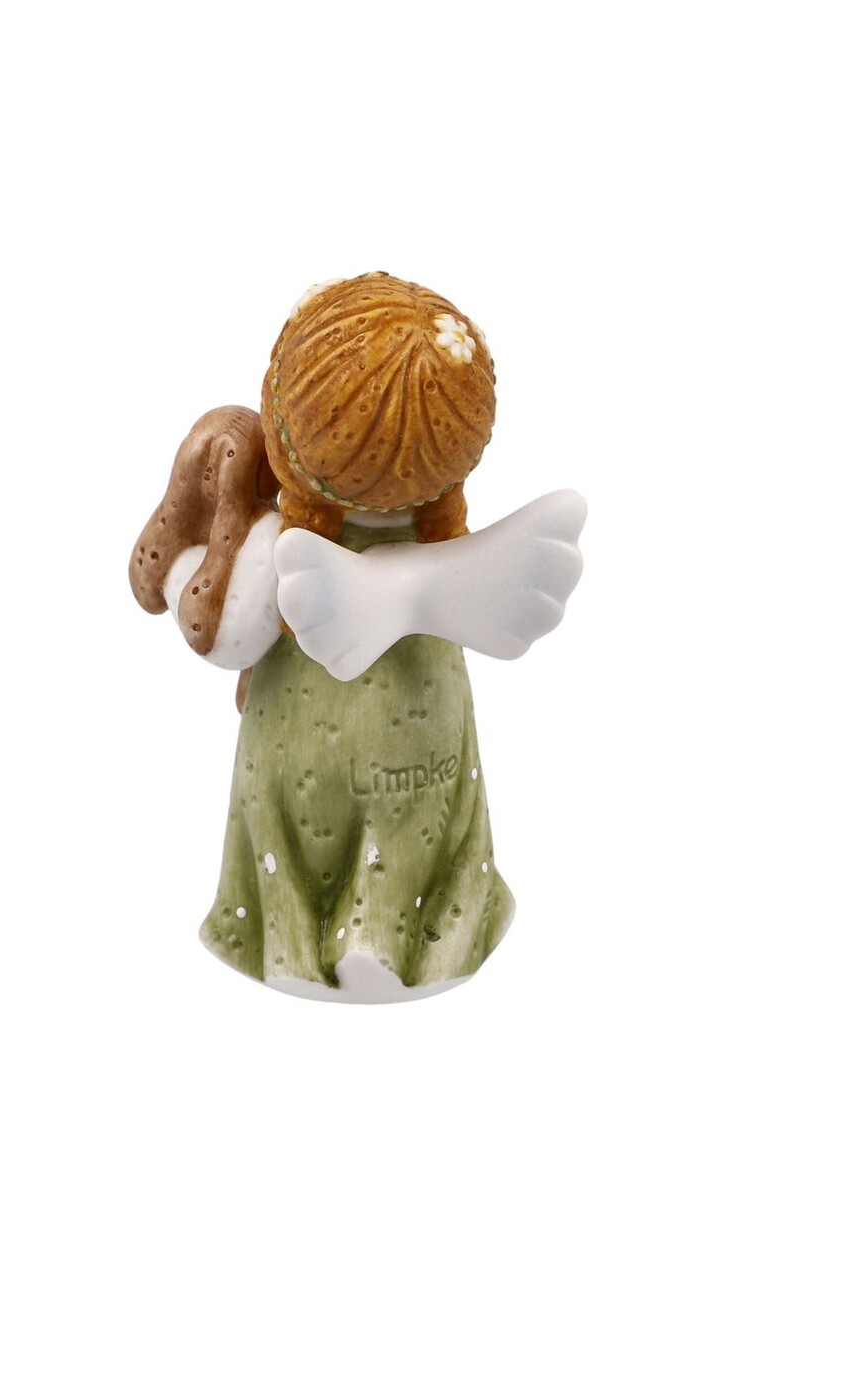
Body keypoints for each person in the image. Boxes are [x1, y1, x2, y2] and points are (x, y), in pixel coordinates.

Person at [130, 274, 585, 1001]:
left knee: (386, 795)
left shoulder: (289, 547)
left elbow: (220, 633)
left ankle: (360, 929)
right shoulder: (303, 550)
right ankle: (354, 926)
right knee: (376, 795)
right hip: (398, 689)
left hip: (381, 700)